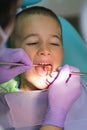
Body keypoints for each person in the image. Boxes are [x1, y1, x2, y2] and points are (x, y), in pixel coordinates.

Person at [0, 6, 81, 130]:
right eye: (32, 42)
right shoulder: (3, 98)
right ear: (13, 52)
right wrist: (56, 115)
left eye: (54, 43)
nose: (45, 50)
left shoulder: (78, 88)